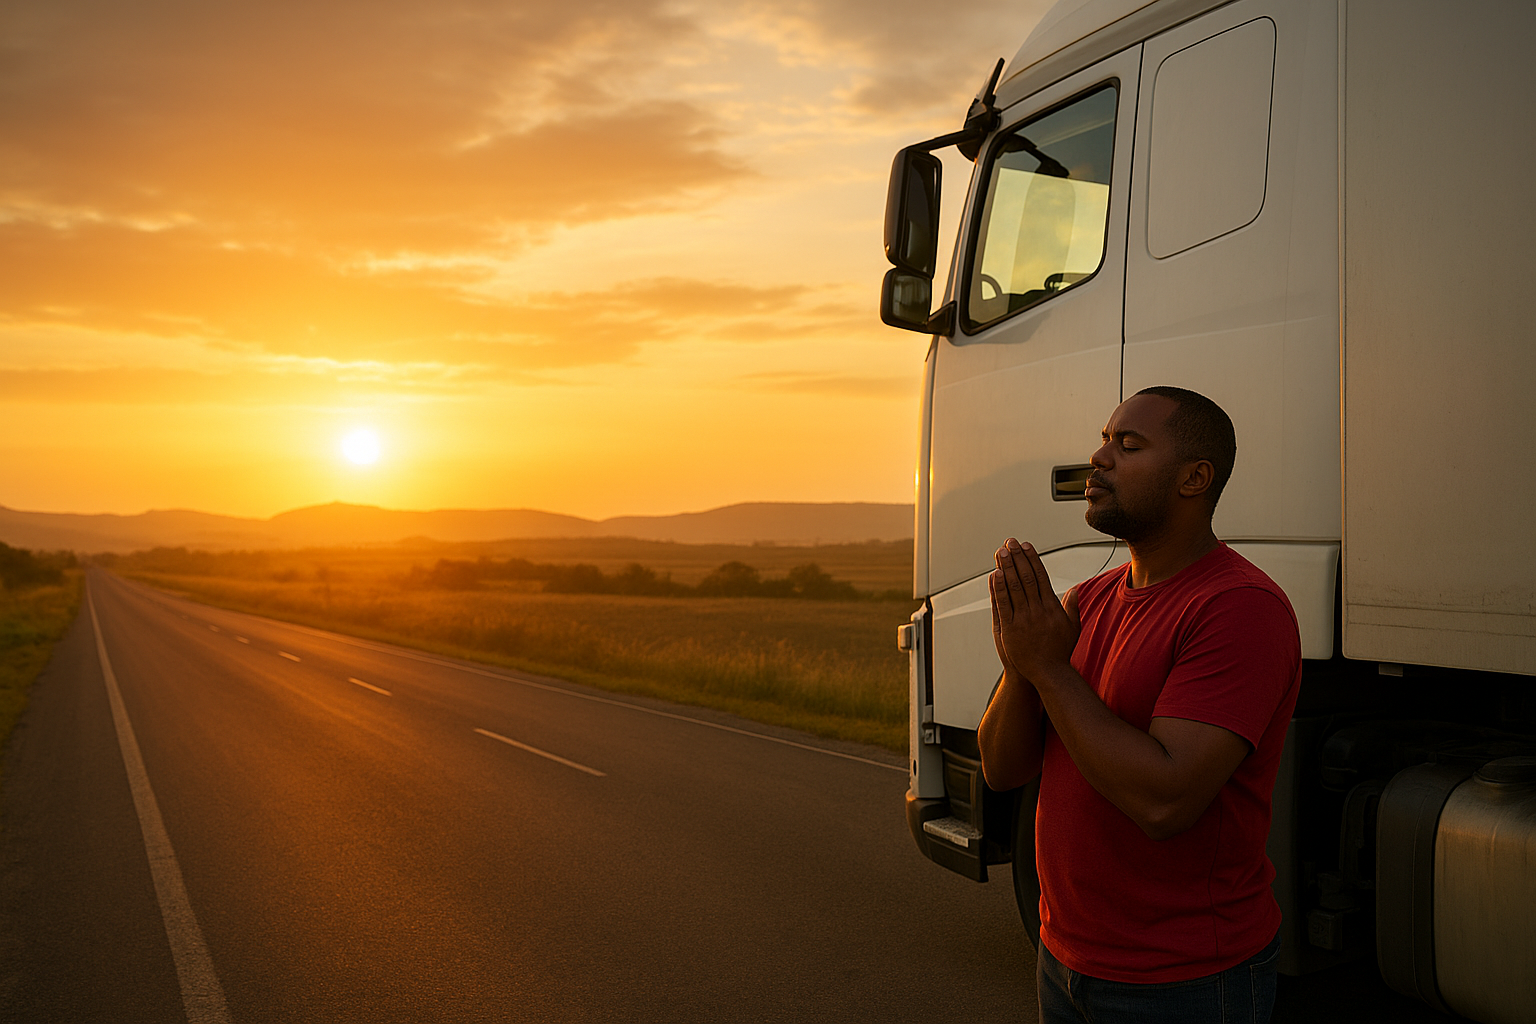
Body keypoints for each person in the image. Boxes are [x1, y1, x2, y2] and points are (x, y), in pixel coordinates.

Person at [977, 386, 1301, 1024]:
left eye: (1127, 445)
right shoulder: (1087, 601)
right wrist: (1023, 668)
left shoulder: (1238, 609)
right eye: (1103, 439)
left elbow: (1165, 800)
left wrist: (1047, 666)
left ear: (1194, 479)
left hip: (1184, 983)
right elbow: (1001, 768)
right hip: (1063, 960)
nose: (1098, 458)